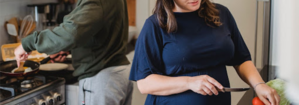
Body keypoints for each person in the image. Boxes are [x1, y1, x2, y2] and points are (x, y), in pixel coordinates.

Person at [129, 0, 280, 105]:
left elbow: (241, 59)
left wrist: (259, 85)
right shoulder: (155, 25)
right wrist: (189, 82)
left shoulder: (221, 14)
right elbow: (145, 83)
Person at [14, 0, 133, 105]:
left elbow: (71, 33)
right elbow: (100, 32)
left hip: (102, 80)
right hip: (117, 74)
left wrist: (28, 44)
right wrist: (70, 49)